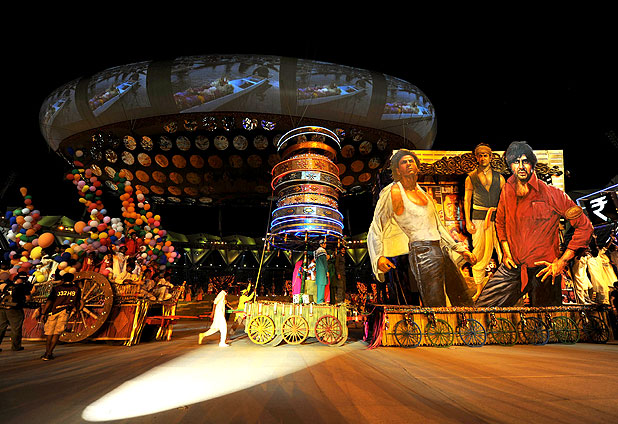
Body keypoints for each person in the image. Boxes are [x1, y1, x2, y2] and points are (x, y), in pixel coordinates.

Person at [475, 141, 594, 307]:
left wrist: (562, 262)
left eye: (525, 161)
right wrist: (506, 252)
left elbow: (584, 226)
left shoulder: (552, 194)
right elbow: (500, 222)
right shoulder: (507, 191)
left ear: (532, 164)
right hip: (514, 267)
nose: (521, 166)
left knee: (546, 320)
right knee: (482, 308)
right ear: (510, 165)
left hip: (544, 270)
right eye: (515, 162)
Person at [367, 149, 477, 307]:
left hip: (441, 249)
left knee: (462, 298)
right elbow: (376, 226)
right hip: (422, 251)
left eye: (411, 161)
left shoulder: (423, 193)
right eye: (403, 162)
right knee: (435, 303)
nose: (408, 164)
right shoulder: (394, 192)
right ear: (398, 170)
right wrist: (378, 257)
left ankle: (469, 324)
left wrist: (460, 249)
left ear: (417, 167)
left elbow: (438, 226)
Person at [463, 143, 506, 301]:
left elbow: (505, 200)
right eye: (480, 155)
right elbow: (467, 200)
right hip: (479, 218)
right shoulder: (471, 177)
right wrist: (468, 221)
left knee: (503, 251)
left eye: (485, 155)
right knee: (479, 253)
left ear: (491, 157)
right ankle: (479, 289)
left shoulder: (500, 178)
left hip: (497, 218)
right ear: (476, 157)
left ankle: (505, 288)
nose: (482, 158)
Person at [38, 272, 82, 360]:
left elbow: (49, 301)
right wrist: (77, 311)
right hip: (65, 312)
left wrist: (43, 313)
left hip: (53, 311)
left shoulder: (57, 288)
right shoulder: (76, 289)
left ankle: (47, 352)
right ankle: (49, 353)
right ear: (72, 279)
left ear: (63, 279)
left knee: (49, 333)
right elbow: (77, 302)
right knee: (57, 333)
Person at [0, 272, 32, 352]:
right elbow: (28, 298)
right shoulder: (23, 286)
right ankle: (16, 346)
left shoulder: (8, 285)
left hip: (2, 307)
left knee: (1, 328)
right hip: (14, 309)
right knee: (16, 328)